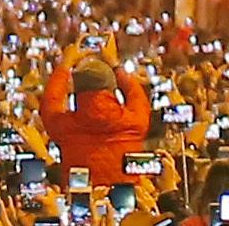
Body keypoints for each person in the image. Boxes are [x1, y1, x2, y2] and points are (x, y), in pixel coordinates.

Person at [37, 53, 151, 187]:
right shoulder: (135, 123)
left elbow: (50, 103)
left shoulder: (64, 127)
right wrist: (115, 65)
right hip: (133, 203)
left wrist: (66, 64)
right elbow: (137, 95)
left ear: (76, 92)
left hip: (82, 203)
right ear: (113, 89)